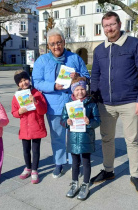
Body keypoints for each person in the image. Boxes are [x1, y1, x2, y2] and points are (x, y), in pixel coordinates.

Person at [90, 11, 138, 195]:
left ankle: (136, 175)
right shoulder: (99, 50)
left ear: (119, 24)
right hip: (105, 104)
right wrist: (93, 97)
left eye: (112, 24)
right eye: (106, 25)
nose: (109, 28)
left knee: (132, 140)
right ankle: (108, 170)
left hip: (129, 102)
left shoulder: (134, 44)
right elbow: (95, 76)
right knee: (107, 138)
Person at [32, 28, 90, 178]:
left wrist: (78, 76)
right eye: (52, 44)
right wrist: (53, 86)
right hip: (53, 105)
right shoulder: (42, 60)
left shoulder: (74, 58)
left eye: (58, 42)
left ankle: (73, 161)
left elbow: (86, 76)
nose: (56, 46)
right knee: (57, 136)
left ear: (64, 42)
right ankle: (59, 163)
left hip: (74, 103)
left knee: (74, 134)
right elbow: (36, 82)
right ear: (48, 46)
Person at [61, 77, 100, 200]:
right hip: (73, 137)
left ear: (86, 89)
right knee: (75, 162)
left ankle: (85, 184)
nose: (80, 92)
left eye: (82, 89)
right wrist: (66, 122)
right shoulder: (68, 105)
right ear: (72, 91)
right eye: (77, 89)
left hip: (86, 138)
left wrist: (89, 122)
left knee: (86, 162)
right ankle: (74, 184)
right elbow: (62, 119)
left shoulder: (91, 104)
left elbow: (97, 120)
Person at [11, 70, 48, 184]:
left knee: (35, 150)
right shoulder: (16, 96)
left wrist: (36, 102)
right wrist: (19, 112)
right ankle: (27, 167)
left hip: (36, 126)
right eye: (20, 81)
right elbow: (14, 112)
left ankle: (34, 170)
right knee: (26, 150)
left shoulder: (37, 93)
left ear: (29, 79)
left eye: (25, 79)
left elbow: (43, 110)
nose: (24, 83)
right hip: (25, 128)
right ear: (18, 84)